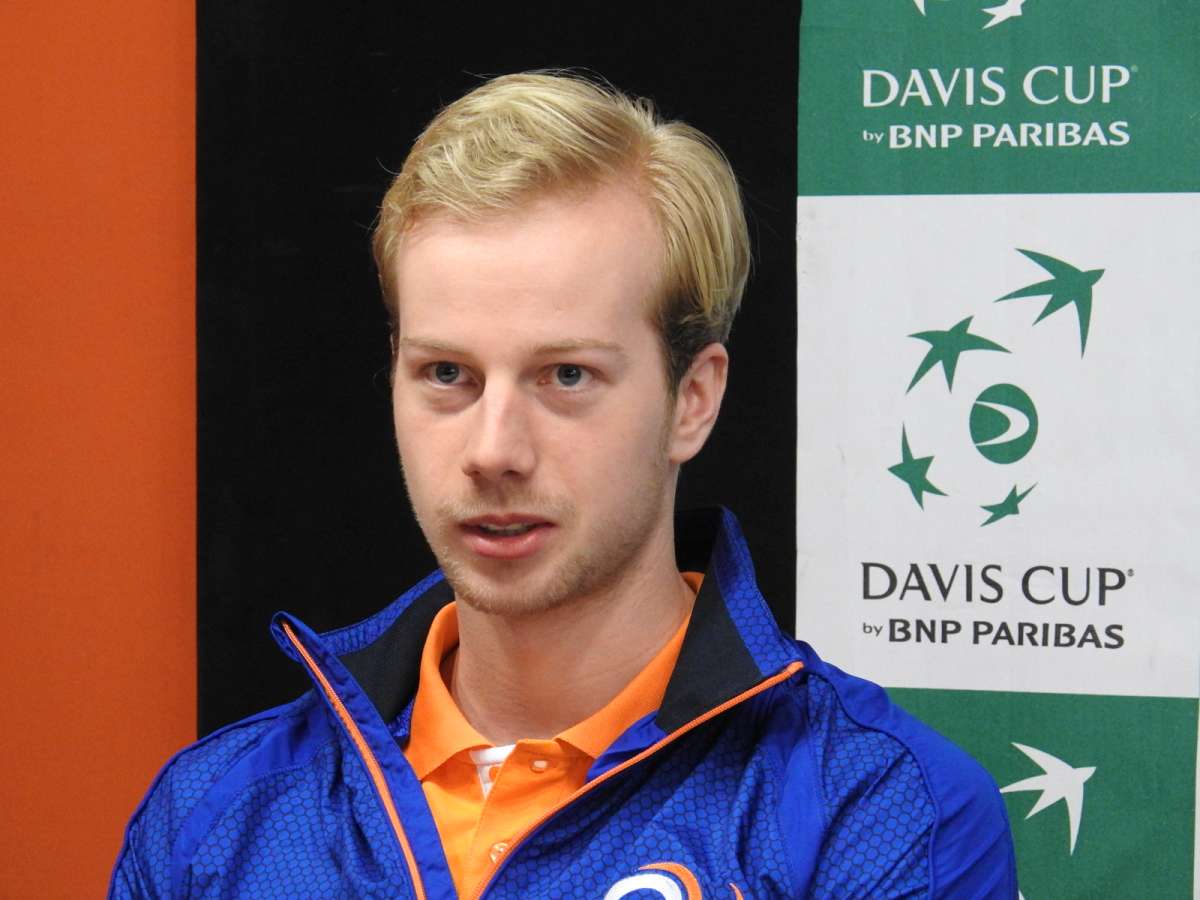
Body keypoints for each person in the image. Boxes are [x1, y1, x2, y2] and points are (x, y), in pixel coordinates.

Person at [110, 72, 1017, 899]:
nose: (493, 451)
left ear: (692, 400)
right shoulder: (213, 816)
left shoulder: (875, 810)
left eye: (566, 376)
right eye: (447, 375)